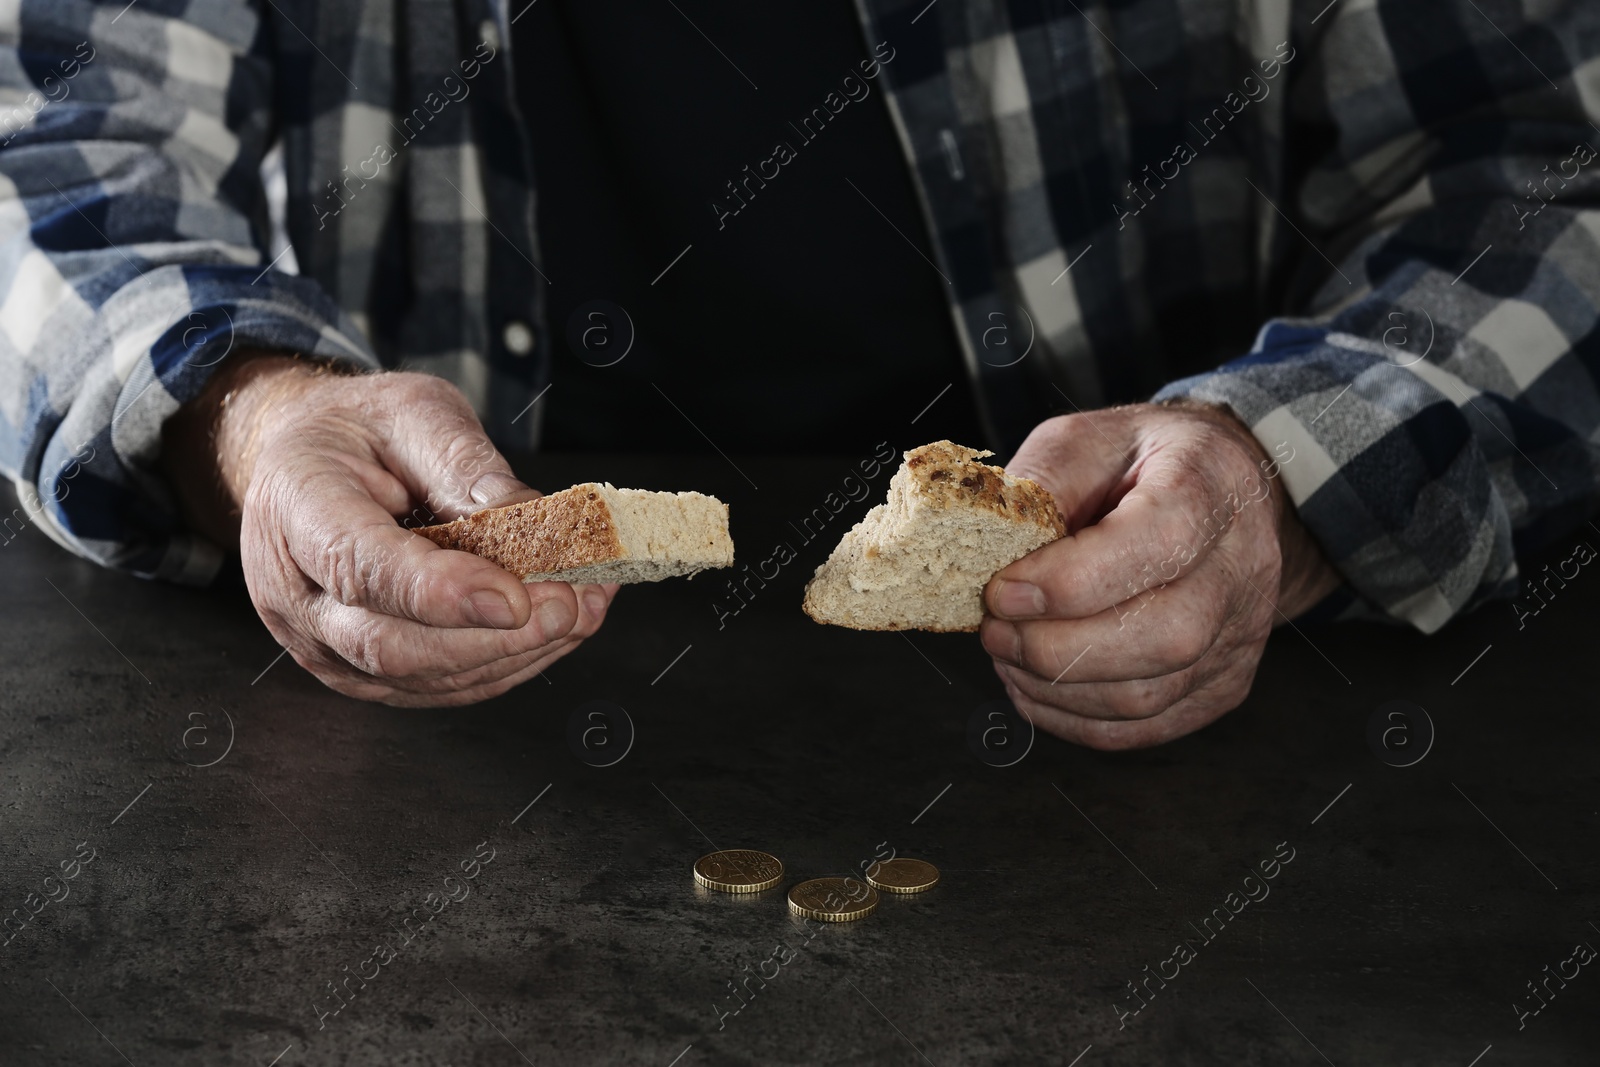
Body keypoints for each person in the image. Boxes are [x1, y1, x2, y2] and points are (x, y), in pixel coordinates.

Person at [1, 1, 1595, 747]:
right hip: (431, 749)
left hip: (1198, 745)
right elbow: (52, 134)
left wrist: (1289, 484)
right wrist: (250, 414)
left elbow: (1547, 169)